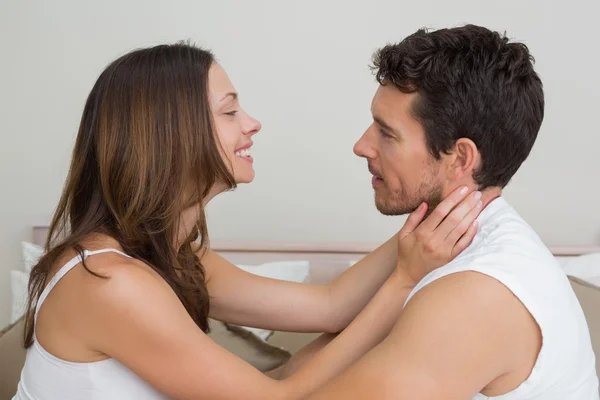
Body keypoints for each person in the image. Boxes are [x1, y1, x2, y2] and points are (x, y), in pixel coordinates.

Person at [14, 43, 481, 399]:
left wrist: (436, 207)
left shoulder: (175, 258)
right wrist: (404, 280)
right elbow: (273, 398)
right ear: (172, 135)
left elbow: (330, 308)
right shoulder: (109, 282)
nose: (253, 123)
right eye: (230, 111)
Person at [301, 25, 599, 399]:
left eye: (386, 133)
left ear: (460, 158)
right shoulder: (442, 232)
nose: (362, 146)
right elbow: (331, 308)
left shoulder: (477, 296)